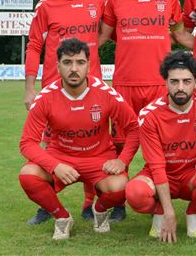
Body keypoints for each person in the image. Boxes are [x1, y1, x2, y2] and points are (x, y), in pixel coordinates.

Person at [99, 0, 194, 221]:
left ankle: (188, 191)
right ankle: (117, 200)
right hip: (125, 84)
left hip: (158, 85)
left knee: (168, 142)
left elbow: (181, 36)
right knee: (118, 142)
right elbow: (104, 35)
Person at [18, 38, 140, 240]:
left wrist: (122, 160)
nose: (74, 69)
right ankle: (62, 218)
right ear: (57, 66)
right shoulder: (46, 97)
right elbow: (27, 143)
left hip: (98, 158)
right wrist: (55, 165)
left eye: (80, 63)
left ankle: (99, 210)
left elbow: (134, 128)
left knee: (120, 187)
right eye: (67, 62)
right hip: (61, 157)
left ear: (88, 65)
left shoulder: (105, 93)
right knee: (28, 174)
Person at [24, 0, 106, 225]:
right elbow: (34, 46)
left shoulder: (99, 3)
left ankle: (89, 203)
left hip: (91, 88)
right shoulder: (46, 5)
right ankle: (48, 205)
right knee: (49, 147)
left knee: (94, 144)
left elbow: (106, 35)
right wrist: (30, 89)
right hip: (53, 90)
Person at [125, 51, 196, 241]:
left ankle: (193, 214)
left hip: (191, 175)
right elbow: (156, 165)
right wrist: (168, 211)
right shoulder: (150, 115)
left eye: (186, 81)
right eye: (174, 82)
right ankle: (159, 212)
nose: (180, 87)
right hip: (160, 174)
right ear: (166, 82)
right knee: (135, 193)